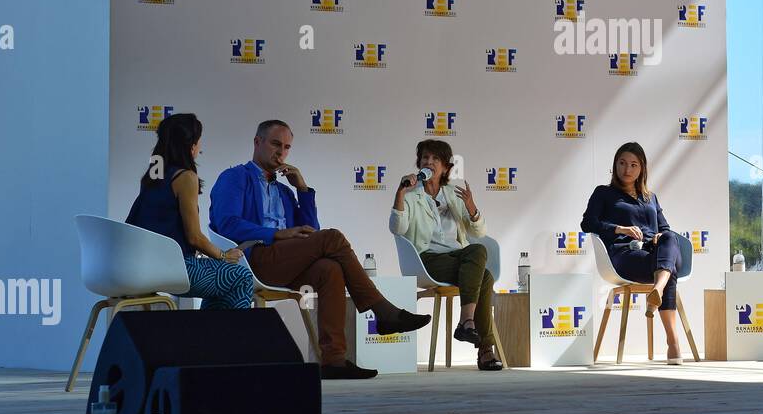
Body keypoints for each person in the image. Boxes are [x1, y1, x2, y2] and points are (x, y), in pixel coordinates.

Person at [210, 119, 430, 379]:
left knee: (330, 268)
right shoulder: (235, 177)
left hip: (285, 261)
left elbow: (311, 232)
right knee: (332, 238)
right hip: (252, 259)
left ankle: (334, 361)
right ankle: (383, 311)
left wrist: (302, 189)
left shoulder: (284, 191)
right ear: (257, 142)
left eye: (287, 147)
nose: (281, 152)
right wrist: (276, 233)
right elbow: (227, 223)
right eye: (275, 144)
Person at [390, 139, 502, 371]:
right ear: (419, 163)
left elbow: (479, 233)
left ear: (445, 168)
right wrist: (400, 193)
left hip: (457, 257)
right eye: (425, 158)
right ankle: (481, 344)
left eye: (435, 159)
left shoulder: (453, 195)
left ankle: (468, 325)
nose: (429, 162)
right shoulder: (411, 196)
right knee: (484, 274)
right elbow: (397, 229)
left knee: (480, 259)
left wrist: (471, 207)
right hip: (427, 260)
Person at [125, 113, 255, 310]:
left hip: (141, 264)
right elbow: (194, 237)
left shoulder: (152, 176)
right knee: (241, 276)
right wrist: (223, 255)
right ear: (191, 145)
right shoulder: (185, 177)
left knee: (223, 279)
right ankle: (226, 331)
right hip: (174, 268)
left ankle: (209, 330)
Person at [581, 142, 688, 364]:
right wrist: (619, 229)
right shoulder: (603, 193)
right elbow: (588, 223)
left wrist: (659, 235)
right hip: (625, 256)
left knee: (669, 238)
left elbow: (665, 228)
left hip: (654, 253)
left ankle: (657, 290)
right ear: (615, 165)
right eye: (622, 163)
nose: (627, 169)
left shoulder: (651, 197)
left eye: (633, 165)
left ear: (642, 169)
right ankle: (673, 342)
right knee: (668, 271)